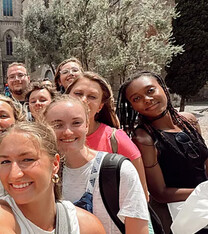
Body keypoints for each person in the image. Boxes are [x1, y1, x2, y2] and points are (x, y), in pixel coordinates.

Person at [0, 122, 105, 234]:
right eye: (5, 162)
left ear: (54, 164)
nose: (14, 174)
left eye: (27, 159)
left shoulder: (87, 226)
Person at [117, 71, 208, 232]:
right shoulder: (144, 138)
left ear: (164, 88)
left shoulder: (188, 121)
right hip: (183, 212)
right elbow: (160, 193)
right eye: (136, 98)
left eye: (150, 90)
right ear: (132, 106)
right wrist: (201, 192)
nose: (147, 99)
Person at [44, 95, 150, 234]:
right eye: (58, 125)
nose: (68, 132)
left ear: (87, 125)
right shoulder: (46, 173)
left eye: (76, 123)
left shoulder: (118, 171)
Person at [66, 72, 148, 200]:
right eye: (78, 93)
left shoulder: (116, 140)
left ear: (100, 106)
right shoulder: (49, 138)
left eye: (92, 96)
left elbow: (141, 195)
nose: (83, 100)